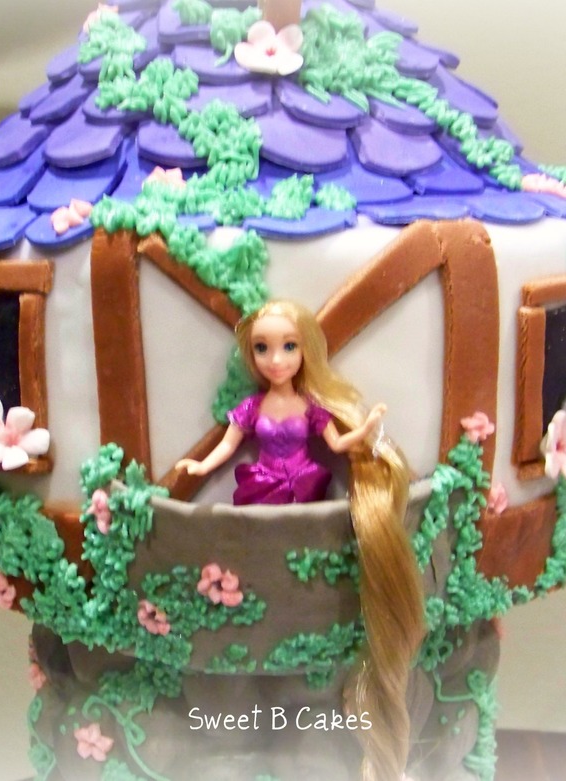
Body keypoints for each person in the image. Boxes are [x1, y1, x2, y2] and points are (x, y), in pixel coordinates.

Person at [176, 299, 425, 781]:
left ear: (305, 349)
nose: (276, 359)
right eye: (263, 348)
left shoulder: (311, 408)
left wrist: (366, 428)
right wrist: (200, 466)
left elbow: (336, 445)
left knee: (303, 550)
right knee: (263, 547)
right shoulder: (252, 408)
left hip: (305, 483)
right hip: (264, 483)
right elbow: (227, 446)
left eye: (288, 347)